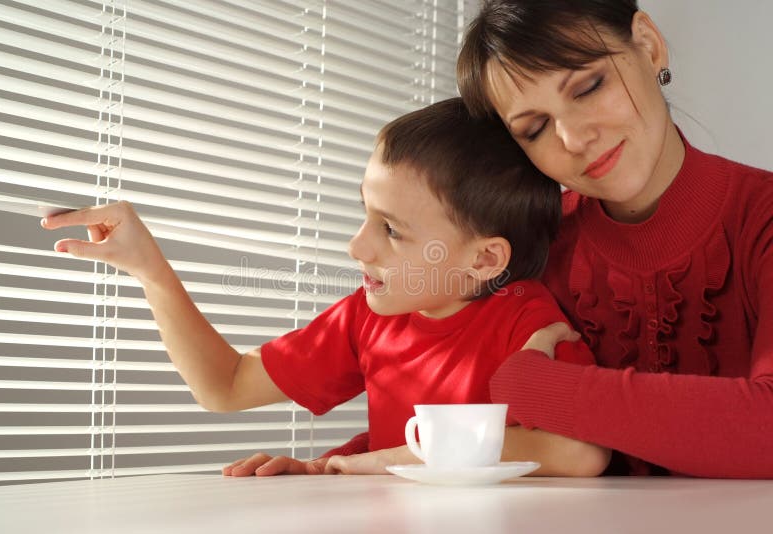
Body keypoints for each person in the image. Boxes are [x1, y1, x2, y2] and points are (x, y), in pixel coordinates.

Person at [41, 98, 609, 478]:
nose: (357, 247)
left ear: (485, 258)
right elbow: (227, 386)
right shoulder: (369, 316)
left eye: (391, 230)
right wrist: (150, 269)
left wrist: (381, 460)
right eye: (365, 214)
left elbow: (582, 452)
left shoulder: (526, 321)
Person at [325, 0, 773, 479]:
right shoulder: (522, 251)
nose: (573, 137)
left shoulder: (761, 218)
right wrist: (339, 464)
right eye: (535, 128)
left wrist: (535, 385)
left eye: (588, 87)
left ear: (648, 45)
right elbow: (459, 411)